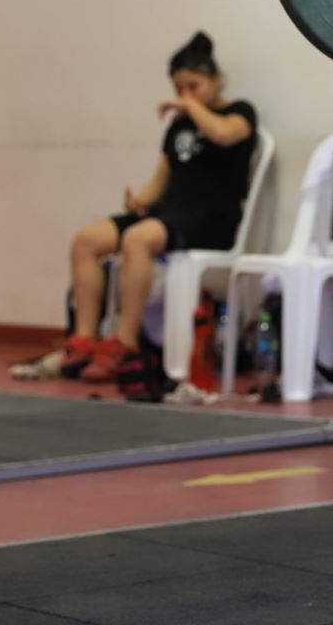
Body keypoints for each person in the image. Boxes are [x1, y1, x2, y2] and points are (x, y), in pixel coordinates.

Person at [61, 32, 258, 382]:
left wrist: (191, 107)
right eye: (179, 89)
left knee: (137, 240)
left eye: (193, 86)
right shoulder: (179, 126)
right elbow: (161, 179)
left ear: (216, 80)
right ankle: (85, 339)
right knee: (86, 241)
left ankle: (125, 342)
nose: (184, 97)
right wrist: (140, 201)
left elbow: (224, 134)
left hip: (212, 218)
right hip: (168, 213)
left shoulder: (239, 112)